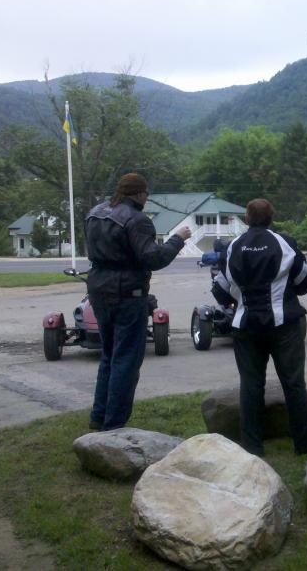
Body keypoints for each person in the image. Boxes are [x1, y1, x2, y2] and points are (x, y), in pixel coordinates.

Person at [85, 173, 191, 431]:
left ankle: (99, 417)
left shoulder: (95, 213)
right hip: (127, 294)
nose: (146, 198)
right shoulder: (137, 220)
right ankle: (114, 425)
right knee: (126, 359)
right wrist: (178, 239)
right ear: (140, 194)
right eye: (146, 193)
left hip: (98, 289)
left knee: (109, 354)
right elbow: (153, 258)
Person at [222, 198, 307, 456]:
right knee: (293, 383)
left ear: (246, 218)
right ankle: (306, 443)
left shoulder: (233, 246)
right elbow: (304, 280)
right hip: (284, 326)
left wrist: (243, 297)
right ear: (271, 218)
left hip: (246, 326)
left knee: (251, 385)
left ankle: (252, 446)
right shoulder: (285, 243)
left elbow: (222, 290)